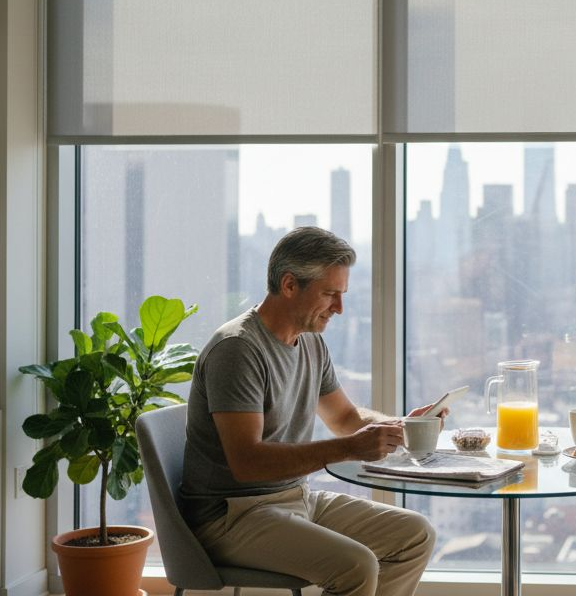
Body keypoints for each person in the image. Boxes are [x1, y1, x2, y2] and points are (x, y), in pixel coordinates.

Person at [179, 226, 436, 596]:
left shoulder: (311, 344)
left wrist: (403, 426)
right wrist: (348, 448)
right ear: (289, 285)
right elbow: (246, 463)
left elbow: (345, 419)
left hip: (294, 498)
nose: (339, 308)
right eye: (330, 294)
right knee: (356, 565)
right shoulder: (237, 349)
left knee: (415, 535)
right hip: (230, 515)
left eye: (342, 295)